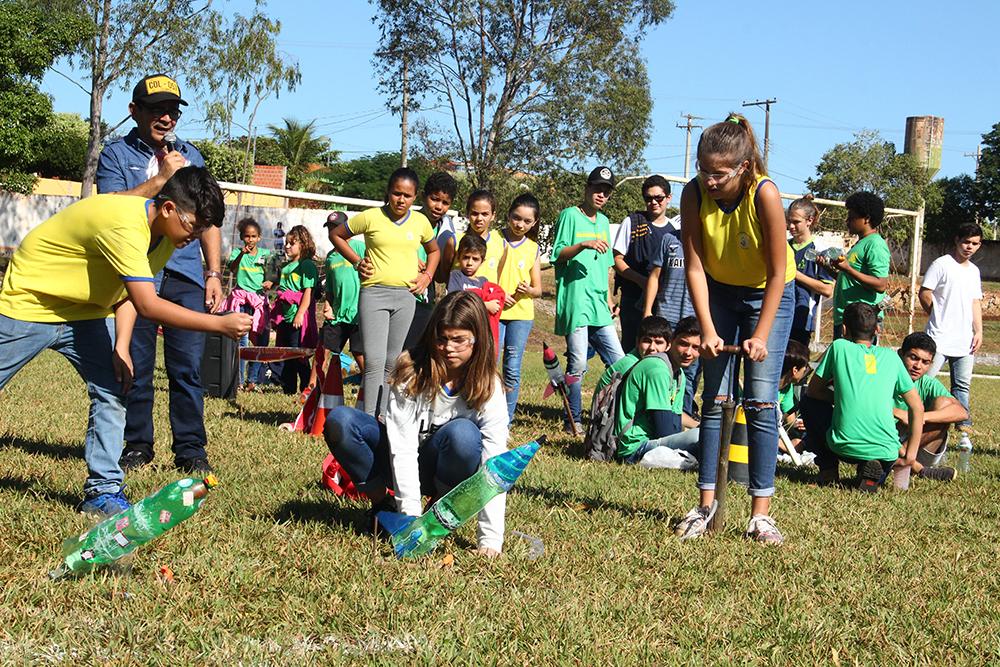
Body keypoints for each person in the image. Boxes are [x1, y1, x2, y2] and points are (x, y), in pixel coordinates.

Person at [0, 168, 250, 514]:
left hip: (86, 311)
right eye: (194, 225)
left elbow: (129, 294)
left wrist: (121, 345)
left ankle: (102, 491)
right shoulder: (125, 224)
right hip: (33, 301)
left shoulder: (164, 237)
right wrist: (218, 325)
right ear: (167, 209)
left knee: (114, 389)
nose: (196, 236)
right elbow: (149, 304)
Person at [673, 114, 795, 545]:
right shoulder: (693, 194)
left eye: (719, 174)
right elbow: (694, 264)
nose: (709, 180)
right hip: (719, 291)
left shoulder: (765, 194)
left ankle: (760, 514)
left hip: (768, 295)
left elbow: (779, 274)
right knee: (714, 399)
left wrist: (760, 335)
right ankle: (706, 505)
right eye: (704, 170)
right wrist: (706, 328)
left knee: (760, 403)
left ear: (743, 168)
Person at [97, 73, 223, 474]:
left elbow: (210, 218)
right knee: (136, 364)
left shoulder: (193, 155)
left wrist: (214, 272)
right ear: (135, 111)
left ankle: (190, 449)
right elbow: (109, 207)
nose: (166, 118)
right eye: (156, 110)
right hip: (136, 276)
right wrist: (162, 179)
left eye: (172, 111)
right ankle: (137, 445)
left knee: (187, 368)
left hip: (185, 275)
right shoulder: (115, 155)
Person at [324, 291, 509, 556]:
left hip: (446, 468)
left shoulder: (490, 387)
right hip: (397, 460)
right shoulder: (411, 371)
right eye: (442, 339)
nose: (448, 348)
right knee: (340, 421)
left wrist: (490, 541)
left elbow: (494, 466)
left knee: (464, 435)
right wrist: (411, 521)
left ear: (478, 340)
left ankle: (439, 511)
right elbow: (403, 448)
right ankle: (382, 505)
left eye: (459, 340)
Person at [330, 167, 440, 417]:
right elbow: (337, 235)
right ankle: (368, 419)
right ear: (388, 193)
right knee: (374, 361)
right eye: (396, 193)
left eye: (408, 195)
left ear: (415, 197)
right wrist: (357, 262)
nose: (401, 200)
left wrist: (427, 276)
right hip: (374, 295)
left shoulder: (420, 222)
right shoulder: (370, 217)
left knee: (393, 362)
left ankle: (384, 417)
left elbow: (434, 251)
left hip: (405, 297)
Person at [801, 303, 923, 492]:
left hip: (844, 445)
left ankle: (828, 469)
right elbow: (917, 407)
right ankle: (872, 474)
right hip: (887, 450)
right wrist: (910, 456)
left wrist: (842, 399)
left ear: (843, 329)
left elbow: (814, 391)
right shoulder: (891, 357)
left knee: (808, 402)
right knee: (878, 463)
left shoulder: (839, 348)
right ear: (877, 330)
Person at [552, 166, 626, 435]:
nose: (601, 195)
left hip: (598, 304)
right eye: (597, 189)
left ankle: (611, 414)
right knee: (579, 364)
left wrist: (608, 298)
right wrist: (583, 245)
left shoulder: (605, 222)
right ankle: (572, 418)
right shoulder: (569, 216)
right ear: (586, 188)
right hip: (575, 301)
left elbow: (606, 265)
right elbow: (557, 254)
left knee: (620, 362)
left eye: (606, 192)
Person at [919, 222, 984, 453]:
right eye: (966, 242)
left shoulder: (974, 271)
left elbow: (976, 302)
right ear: (957, 240)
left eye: (975, 243)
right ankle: (918, 417)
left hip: (965, 340)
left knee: (962, 385)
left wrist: (979, 331)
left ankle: (963, 426)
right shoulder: (941, 264)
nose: (969, 247)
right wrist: (935, 315)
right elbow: (924, 292)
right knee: (925, 381)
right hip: (938, 337)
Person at [614, 317, 703, 466]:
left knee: (711, 436)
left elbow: (675, 418)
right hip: (635, 448)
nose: (688, 352)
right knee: (706, 438)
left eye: (696, 347)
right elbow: (665, 429)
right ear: (671, 343)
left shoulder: (679, 374)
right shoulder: (657, 368)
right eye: (683, 344)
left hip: (655, 442)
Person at [642, 198, 697, 416]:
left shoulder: (709, 244)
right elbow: (654, 276)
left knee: (690, 373)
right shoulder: (668, 240)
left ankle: (682, 415)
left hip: (694, 320)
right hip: (667, 316)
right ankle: (658, 412)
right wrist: (648, 310)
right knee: (663, 367)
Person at [893, 332, 965, 480]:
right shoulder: (886, 376)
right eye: (913, 358)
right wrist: (895, 411)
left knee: (944, 406)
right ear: (901, 354)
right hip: (885, 438)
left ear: (931, 364)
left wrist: (917, 417)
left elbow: (962, 413)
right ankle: (918, 469)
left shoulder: (927, 383)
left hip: (914, 447)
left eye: (925, 362)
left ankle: (899, 461)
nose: (918, 366)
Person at [615, 175, 675, 349]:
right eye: (649, 198)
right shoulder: (632, 222)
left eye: (659, 198)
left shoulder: (675, 231)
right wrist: (642, 281)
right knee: (632, 348)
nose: (654, 202)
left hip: (663, 303)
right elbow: (617, 260)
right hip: (633, 299)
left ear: (668, 198)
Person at [497, 193, 542, 421]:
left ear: (534, 223)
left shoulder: (532, 248)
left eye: (526, 221)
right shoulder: (495, 240)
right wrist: (499, 294)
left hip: (521, 315)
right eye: (516, 218)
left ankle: (507, 419)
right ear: (508, 215)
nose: (520, 224)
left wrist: (528, 290)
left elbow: (538, 289)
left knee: (512, 367)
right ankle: (486, 414)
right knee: (490, 364)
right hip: (495, 310)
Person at [825, 192, 890, 341]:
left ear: (866, 219)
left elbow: (881, 284)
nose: (847, 221)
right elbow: (851, 279)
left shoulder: (875, 244)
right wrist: (828, 268)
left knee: (857, 364)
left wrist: (848, 268)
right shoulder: (860, 244)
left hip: (862, 322)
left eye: (852, 217)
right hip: (847, 318)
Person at [406, 172, 459, 351]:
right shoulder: (407, 220)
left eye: (445, 203)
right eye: (435, 199)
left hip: (424, 298)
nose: (439, 206)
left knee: (416, 349)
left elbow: (441, 278)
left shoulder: (446, 231)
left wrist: (446, 257)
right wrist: (410, 258)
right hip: (400, 291)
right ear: (423, 196)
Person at [270, 225, 318, 396]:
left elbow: (308, 293)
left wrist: (299, 314)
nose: (287, 246)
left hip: (298, 319)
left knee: (299, 355)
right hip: (285, 319)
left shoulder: (306, 265)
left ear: (303, 245)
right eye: (287, 243)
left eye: (292, 243)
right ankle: (288, 388)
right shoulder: (287, 266)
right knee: (286, 355)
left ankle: (306, 387)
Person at [225, 218, 271, 391]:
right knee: (241, 341)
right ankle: (238, 381)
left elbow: (274, 275)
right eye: (247, 236)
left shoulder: (266, 255)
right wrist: (242, 254)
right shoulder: (238, 253)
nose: (250, 240)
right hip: (241, 301)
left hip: (258, 302)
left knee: (260, 342)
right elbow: (232, 269)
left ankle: (253, 380)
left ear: (259, 237)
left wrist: (270, 283)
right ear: (242, 237)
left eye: (253, 236)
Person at [320, 211, 365, 378]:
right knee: (323, 349)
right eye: (330, 228)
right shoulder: (331, 258)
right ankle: (313, 387)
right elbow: (330, 288)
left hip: (359, 313)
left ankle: (370, 387)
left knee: (359, 353)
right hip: (338, 314)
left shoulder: (360, 247)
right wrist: (328, 305)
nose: (332, 231)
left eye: (336, 227)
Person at [786, 195, 834, 345]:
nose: (791, 226)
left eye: (796, 222)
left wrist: (795, 274)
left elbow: (827, 289)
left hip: (801, 318)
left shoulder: (819, 249)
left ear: (809, 221)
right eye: (789, 221)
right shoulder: (783, 246)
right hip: (778, 315)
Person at [447, 234, 505, 354]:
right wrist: (485, 305)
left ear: (482, 261)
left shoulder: (484, 282)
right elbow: (456, 301)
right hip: (461, 331)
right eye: (466, 257)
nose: (469, 263)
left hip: (479, 333)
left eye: (475, 259)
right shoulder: (456, 276)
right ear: (458, 257)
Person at [454, 189, 507, 284]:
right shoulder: (455, 241)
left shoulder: (501, 245)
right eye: (474, 213)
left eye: (485, 214)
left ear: (493, 216)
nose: (479, 219)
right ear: (467, 213)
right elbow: (445, 275)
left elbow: (498, 278)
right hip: (460, 298)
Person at [777, 339, 811, 450]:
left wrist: (799, 425)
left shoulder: (787, 387)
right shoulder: (767, 390)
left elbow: (789, 420)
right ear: (795, 370)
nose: (805, 370)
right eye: (804, 367)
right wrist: (787, 446)